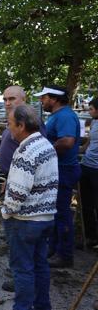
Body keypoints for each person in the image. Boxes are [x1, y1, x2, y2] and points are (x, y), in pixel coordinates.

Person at [2, 104, 58, 310]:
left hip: (25, 221)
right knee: (40, 265)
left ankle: (23, 307)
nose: (8, 130)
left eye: (10, 125)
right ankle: (43, 306)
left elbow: (16, 195)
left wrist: (6, 212)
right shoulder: (46, 145)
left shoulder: (25, 151)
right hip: (46, 217)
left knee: (22, 270)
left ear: (21, 125)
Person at [0, 85, 46, 293]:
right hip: (12, 179)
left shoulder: (30, 123)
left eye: (12, 99)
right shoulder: (14, 120)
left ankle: (22, 280)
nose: (7, 102)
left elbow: (33, 162)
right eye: (5, 99)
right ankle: (21, 273)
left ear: (23, 99)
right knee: (16, 238)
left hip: (23, 190)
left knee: (19, 237)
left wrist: (8, 208)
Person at [37, 85, 80, 269]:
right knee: (53, 212)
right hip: (56, 169)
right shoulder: (57, 116)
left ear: (54, 99)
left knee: (62, 214)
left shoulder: (65, 116)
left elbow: (67, 141)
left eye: (44, 98)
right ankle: (52, 248)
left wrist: (44, 151)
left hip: (64, 170)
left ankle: (65, 255)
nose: (41, 101)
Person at [80, 97, 98, 249]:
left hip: (97, 169)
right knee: (86, 203)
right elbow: (89, 142)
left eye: (91, 109)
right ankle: (91, 237)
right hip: (87, 165)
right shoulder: (94, 122)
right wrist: (79, 150)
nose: (89, 111)